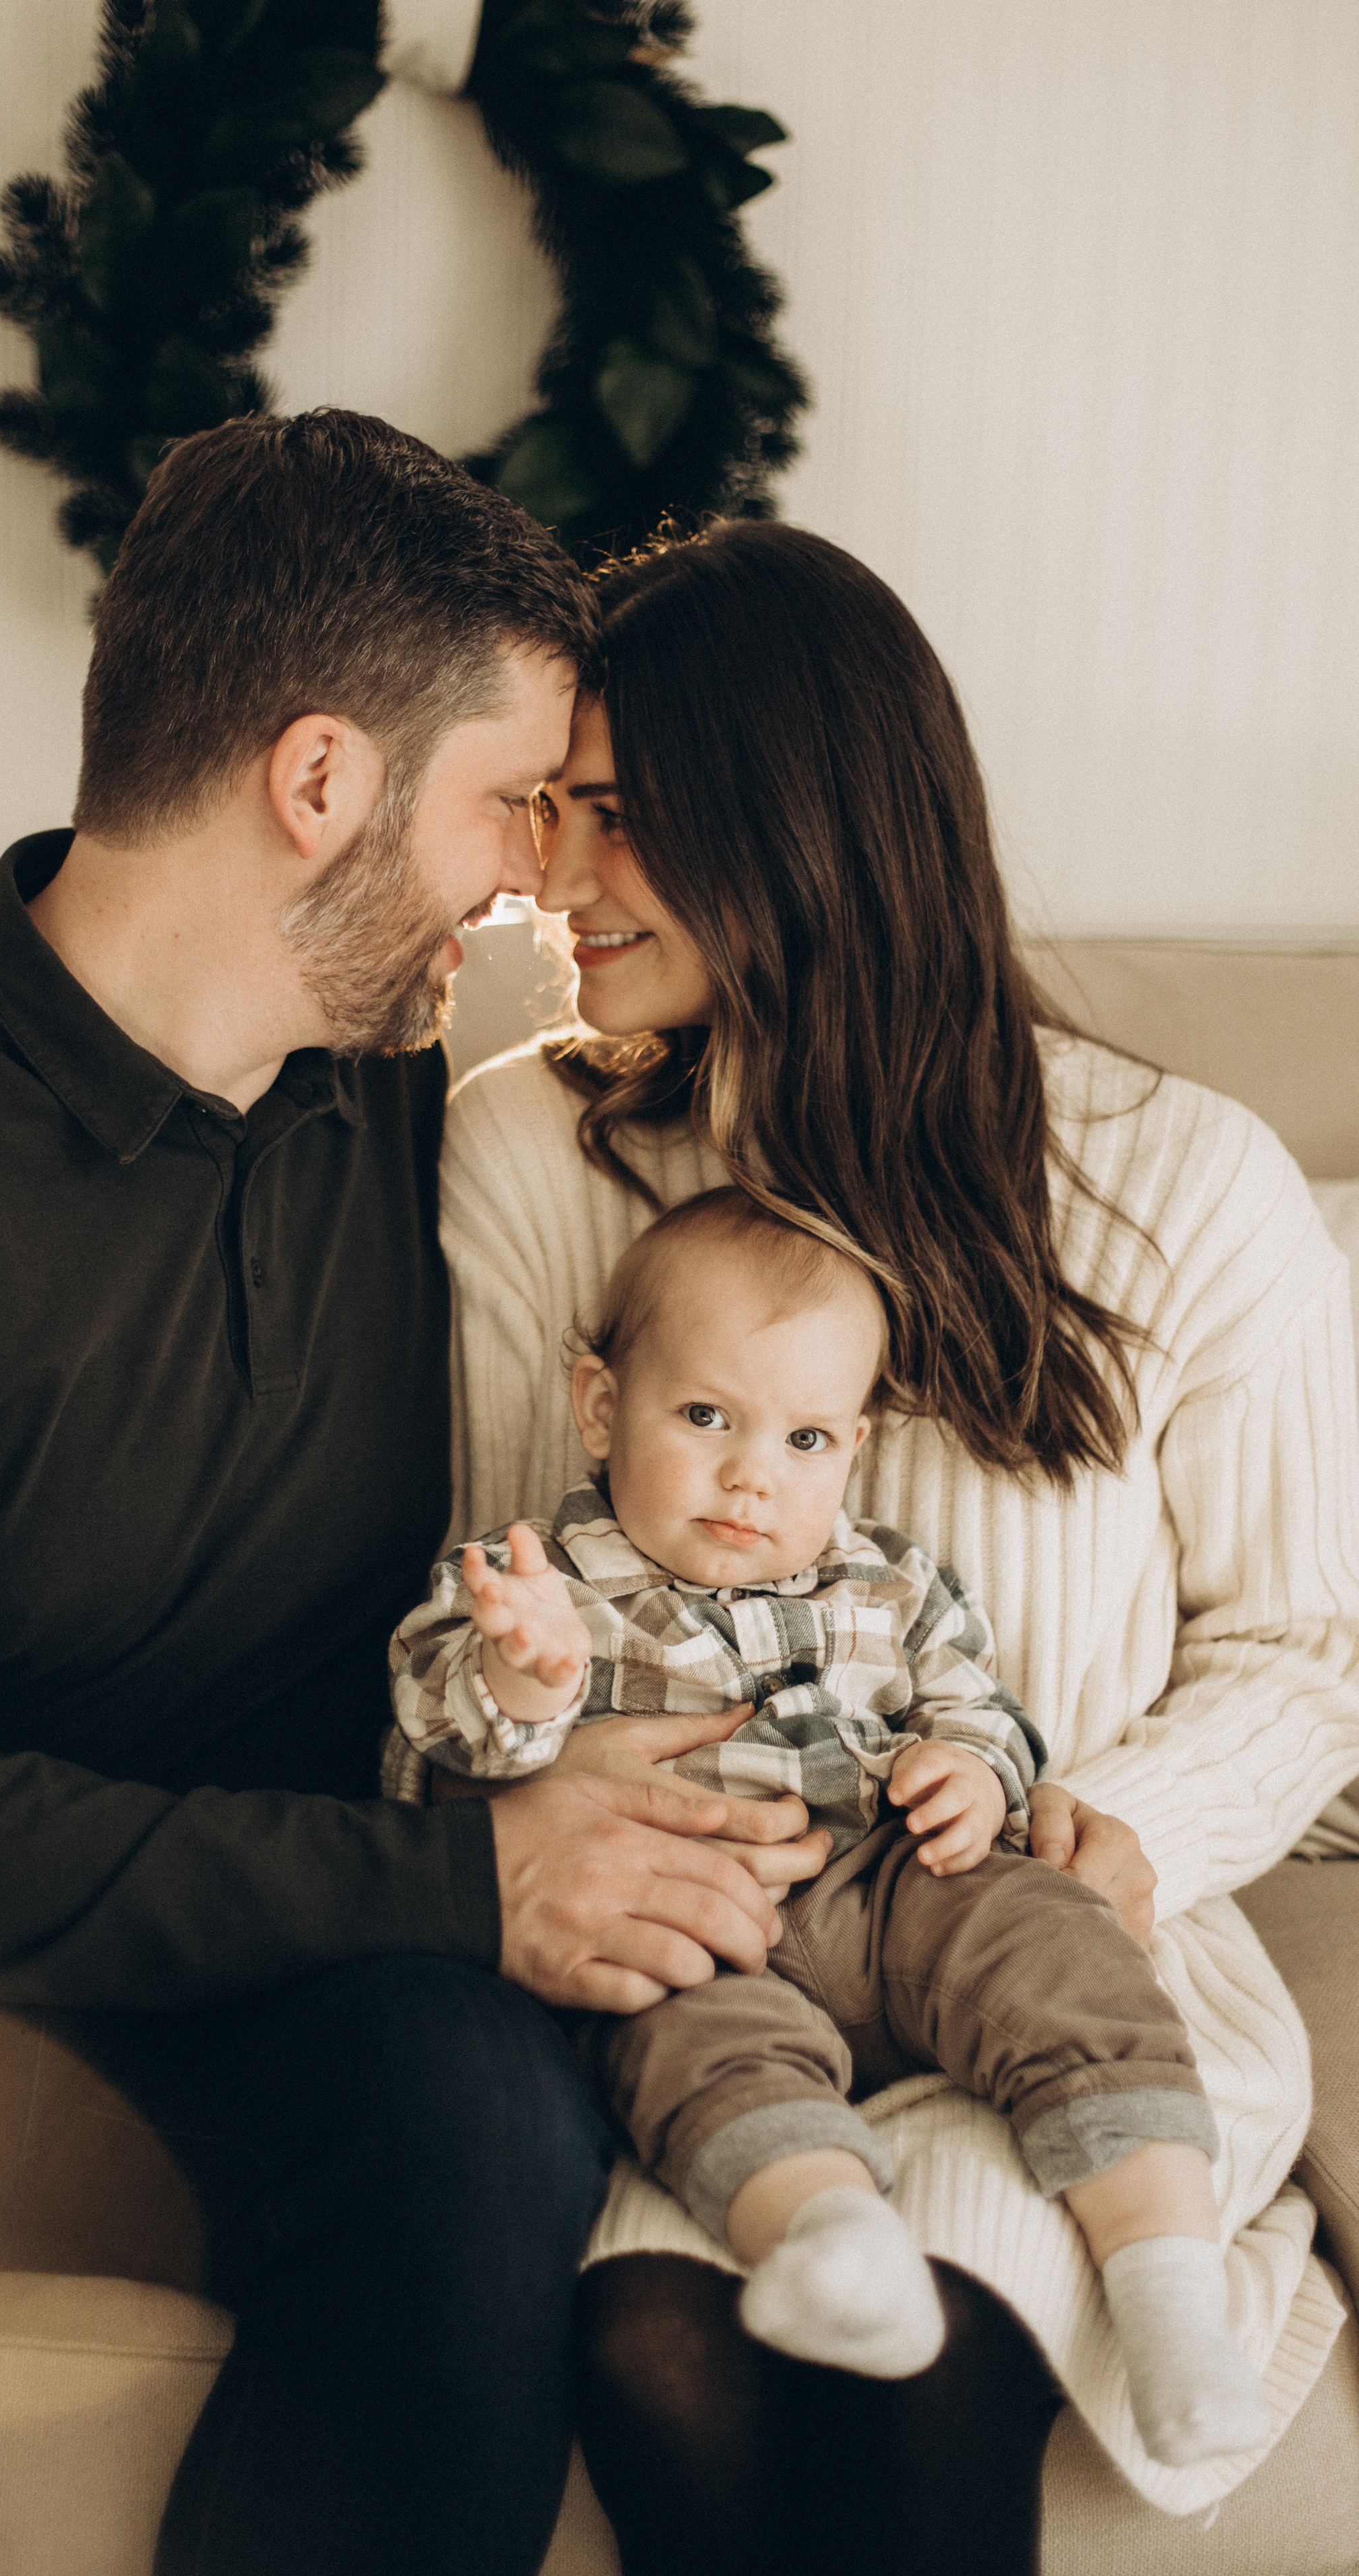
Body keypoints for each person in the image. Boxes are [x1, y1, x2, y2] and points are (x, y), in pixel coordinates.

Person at [0, 414, 817, 2576]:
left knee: (479, 2130)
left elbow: (788, 1004)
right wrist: (466, 1888)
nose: (538, 879)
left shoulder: (397, 1089)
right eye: (507, 804)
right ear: (319, 784)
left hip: (256, 1927)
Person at [427, 522, 1359, 2573]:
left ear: (800, 828)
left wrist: (1107, 1828)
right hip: (713, 1974)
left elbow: (1306, 1645)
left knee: (918, 2385)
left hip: (1035, 1949)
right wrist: (558, 1760)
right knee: (668, 2362)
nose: (547, 880)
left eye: (613, 818)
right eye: (548, 813)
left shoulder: (1173, 1187)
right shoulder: (531, 1147)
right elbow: (504, 1568)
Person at [393, 1186, 1270, 2467]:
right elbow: (447, 1726)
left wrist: (968, 1772)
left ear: (853, 1451)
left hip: (900, 1880)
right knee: (681, 2037)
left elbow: (982, 1711)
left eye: (807, 1440)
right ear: (600, 1407)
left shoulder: (893, 1580)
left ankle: (1175, 2303)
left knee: (1054, 1940)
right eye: (706, 1418)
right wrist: (528, 1672)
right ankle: (832, 2239)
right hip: (694, 1910)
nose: (755, 1474)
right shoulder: (544, 1577)